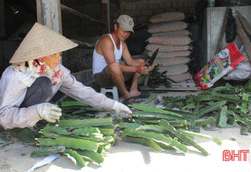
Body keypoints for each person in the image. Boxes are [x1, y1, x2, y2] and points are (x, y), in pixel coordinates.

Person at [0, 22, 132, 130]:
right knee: (44, 84)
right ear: (39, 57)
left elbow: (81, 91)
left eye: (59, 53)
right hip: (17, 116)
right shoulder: (16, 75)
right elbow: (4, 117)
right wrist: (37, 111)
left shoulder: (57, 71)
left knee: (63, 86)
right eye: (53, 54)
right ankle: (26, 125)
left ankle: (40, 115)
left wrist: (113, 105)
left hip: (35, 106)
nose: (59, 58)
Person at [93, 15, 154, 105]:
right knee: (114, 66)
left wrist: (145, 66)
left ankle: (133, 90)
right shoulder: (106, 40)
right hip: (102, 78)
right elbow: (112, 65)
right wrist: (137, 69)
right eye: (123, 30)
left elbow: (130, 61)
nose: (125, 34)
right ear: (115, 27)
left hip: (116, 74)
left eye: (128, 32)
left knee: (140, 61)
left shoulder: (123, 44)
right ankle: (127, 96)